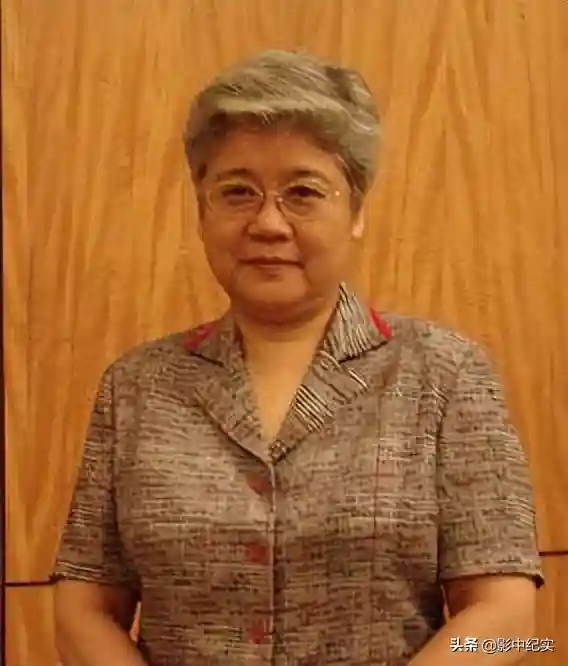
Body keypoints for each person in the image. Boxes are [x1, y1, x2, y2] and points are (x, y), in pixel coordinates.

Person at [52, 49, 543, 666]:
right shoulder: (136, 386)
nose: (268, 223)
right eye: (237, 192)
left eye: (303, 192)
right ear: (202, 211)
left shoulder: (445, 374)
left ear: (356, 211)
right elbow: (82, 609)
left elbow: (509, 623)